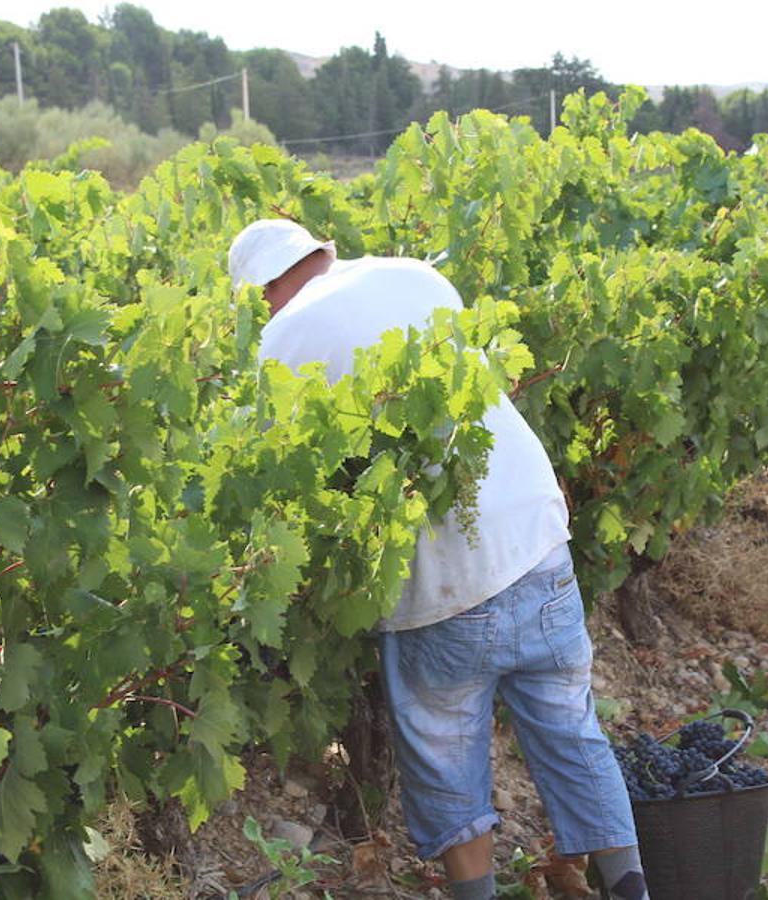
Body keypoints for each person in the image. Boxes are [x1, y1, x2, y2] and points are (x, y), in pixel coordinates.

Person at [227, 219, 647, 900]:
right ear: (321, 253)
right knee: (574, 737)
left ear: (261, 293)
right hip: (535, 542)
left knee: (448, 768)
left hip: (439, 586)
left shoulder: (278, 343)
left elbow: (286, 482)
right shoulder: (415, 273)